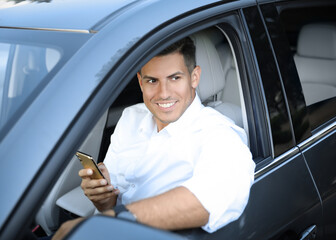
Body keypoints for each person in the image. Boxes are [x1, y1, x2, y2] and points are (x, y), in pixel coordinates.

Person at [52, 37, 255, 240]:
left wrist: (109, 221)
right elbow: (112, 200)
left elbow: (212, 198)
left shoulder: (220, 134)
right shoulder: (131, 117)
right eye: (152, 81)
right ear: (140, 82)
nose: (163, 93)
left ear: (194, 77)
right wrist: (103, 199)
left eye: (175, 78)